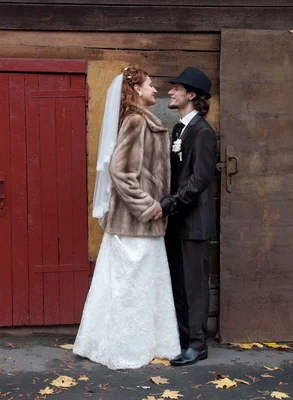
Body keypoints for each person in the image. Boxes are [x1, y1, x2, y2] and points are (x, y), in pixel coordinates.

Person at [73, 66, 180, 370]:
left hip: (141, 225)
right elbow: (120, 172)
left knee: (141, 286)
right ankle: (124, 347)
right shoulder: (135, 121)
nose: (155, 90)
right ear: (135, 90)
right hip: (135, 225)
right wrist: (149, 207)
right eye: (149, 85)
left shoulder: (143, 120)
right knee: (130, 288)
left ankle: (147, 342)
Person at [156, 67, 217, 366]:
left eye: (177, 88)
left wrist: (168, 204)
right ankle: (182, 338)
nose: (171, 91)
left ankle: (197, 343)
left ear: (191, 95)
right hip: (177, 221)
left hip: (194, 222)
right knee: (178, 283)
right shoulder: (180, 129)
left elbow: (198, 180)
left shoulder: (204, 132)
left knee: (194, 285)